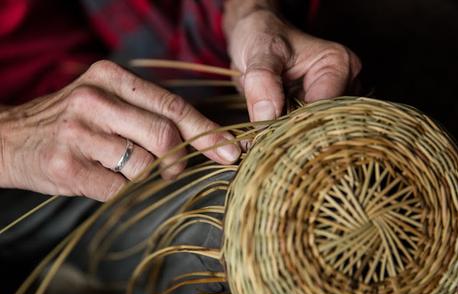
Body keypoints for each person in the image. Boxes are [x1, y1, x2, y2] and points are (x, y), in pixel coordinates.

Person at [0, 0, 361, 201]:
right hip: (24, 168)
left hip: (160, 59)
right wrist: (11, 138)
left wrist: (248, 12)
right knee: (262, 222)